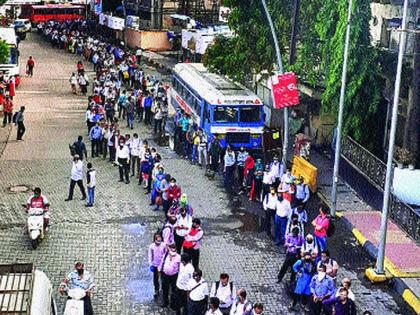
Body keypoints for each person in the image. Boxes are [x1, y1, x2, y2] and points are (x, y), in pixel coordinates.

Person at [160, 243, 181, 309]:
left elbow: (180, 268)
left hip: (174, 276)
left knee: (173, 290)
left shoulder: (178, 257)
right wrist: (159, 270)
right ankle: (165, 302)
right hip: (165, 275)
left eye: (174, 251)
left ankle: (173, 304)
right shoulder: (166, 255)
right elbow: (162, 262)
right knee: (165, 289)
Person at [148, 234, 167, 298]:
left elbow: (165, 254)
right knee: (155, 279)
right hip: (155, 264)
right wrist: (151, 264)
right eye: (158, 241)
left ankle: (164, 289)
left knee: (163, 278)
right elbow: (150, 256)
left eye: (160, 241)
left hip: (162, 265)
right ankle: (156, 289)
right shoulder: (151, 247)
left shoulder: (163, 245)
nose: (159, 243)